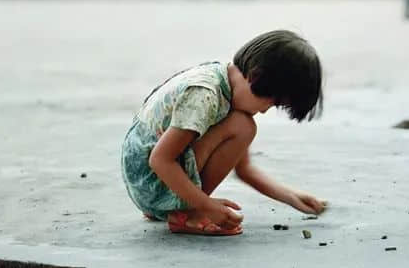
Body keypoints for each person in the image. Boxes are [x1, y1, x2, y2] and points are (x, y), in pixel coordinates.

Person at [121, 30, 326, 236]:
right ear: (256, 77)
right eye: (271, 103)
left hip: (150, 186)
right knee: (243, 126)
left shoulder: (225, 83)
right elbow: (160, 160)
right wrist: (206, 206)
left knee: (243, 124)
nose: (264, 111)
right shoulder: (205, 95)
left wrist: (291, 196)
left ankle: (179, 206)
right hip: (152, 182)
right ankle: (186, 214)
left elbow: (244, 170)